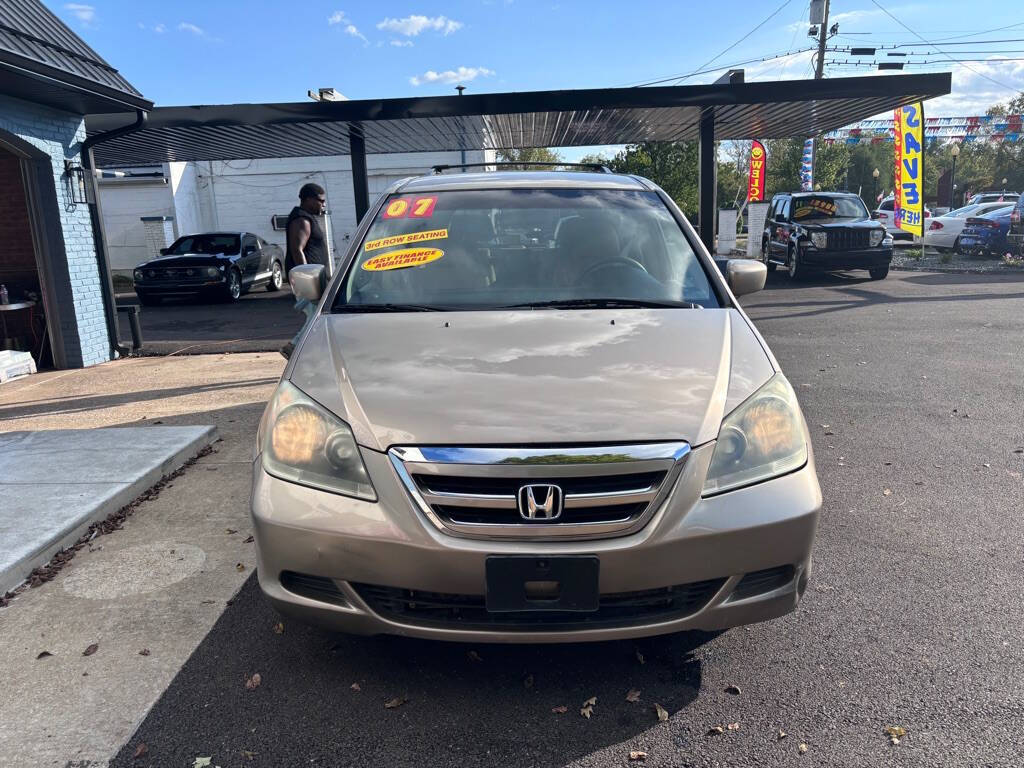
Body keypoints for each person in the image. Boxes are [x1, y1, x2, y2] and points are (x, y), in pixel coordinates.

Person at [281, 182, 328, 359]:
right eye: (320, 201)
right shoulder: (301, 219)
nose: (323, 205)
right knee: (317, 316)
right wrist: (308, 280)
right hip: (308, 282)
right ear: (308, 200)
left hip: (312, 280)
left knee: (317, 316)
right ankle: (294, 346)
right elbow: (297, 249)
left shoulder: (306, 217)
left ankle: (300, 348)